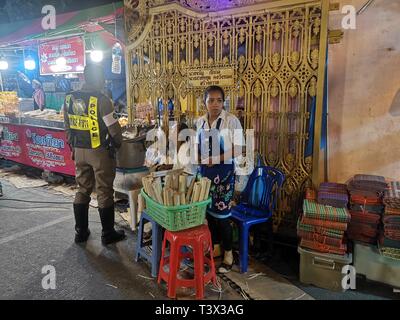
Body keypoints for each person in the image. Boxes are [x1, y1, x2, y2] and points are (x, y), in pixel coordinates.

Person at [63, 64, 126, 245]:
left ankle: (80, 232)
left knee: (82, 189)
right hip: (99, 152)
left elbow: (67, 126)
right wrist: (118, 145)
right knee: (104, 191)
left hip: (79, 150)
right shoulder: (102, 100)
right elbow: (114, 130)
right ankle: (107, 234)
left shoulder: (69, 99)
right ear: (98, 79)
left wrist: (73, 147)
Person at [196, 85, 245, 273]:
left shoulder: (231, 121)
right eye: (211, 100)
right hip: (205, 175)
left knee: (223, 217)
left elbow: (239, 147)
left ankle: (228, 253)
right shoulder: (200, 122)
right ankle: (215, 247)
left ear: (223, 102)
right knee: (209, 214)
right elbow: (199, 147)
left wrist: (215, 159)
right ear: (205, 102)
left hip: (224, 175)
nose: (215, 104)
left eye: (218, 100)